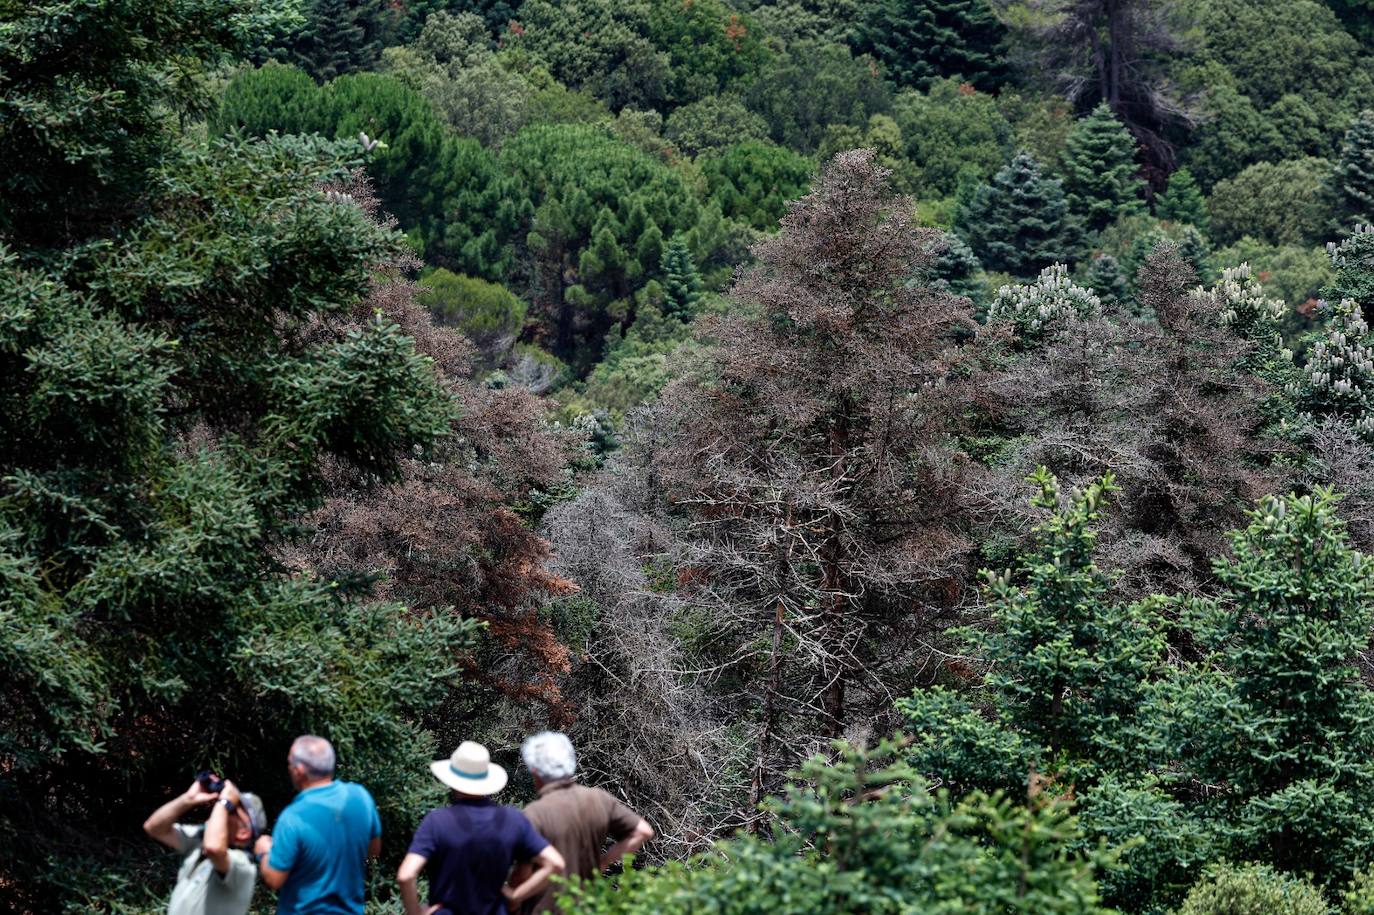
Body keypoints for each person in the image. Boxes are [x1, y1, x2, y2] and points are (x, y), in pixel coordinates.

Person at [397, 741, 565, 915]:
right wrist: (515, 896)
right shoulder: (513, 819)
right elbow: (555, 863)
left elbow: (406, 875)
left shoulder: (436, 821)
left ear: (452, 780)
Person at [516, 732, 654, 914]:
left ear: (535, 773)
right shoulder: (599, 799)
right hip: (586, 906)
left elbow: (522, 873)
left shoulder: (533, 814)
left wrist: (513, 899)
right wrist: (603, 863)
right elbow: (643, 831)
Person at [254, 735, 381, 915]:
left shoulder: (293, 817)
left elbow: (274, 879)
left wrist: (264, 851)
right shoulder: (361, 797)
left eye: (290, 764)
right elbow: (373, 850)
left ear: (299, 770)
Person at [143, 773, 268, 915]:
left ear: (243, 832)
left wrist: (224, 802)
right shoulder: (200, 839)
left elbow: (214, 848)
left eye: (231, 809)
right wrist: (188, 799)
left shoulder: (244, 867)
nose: (220, 809)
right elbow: (154, 828)